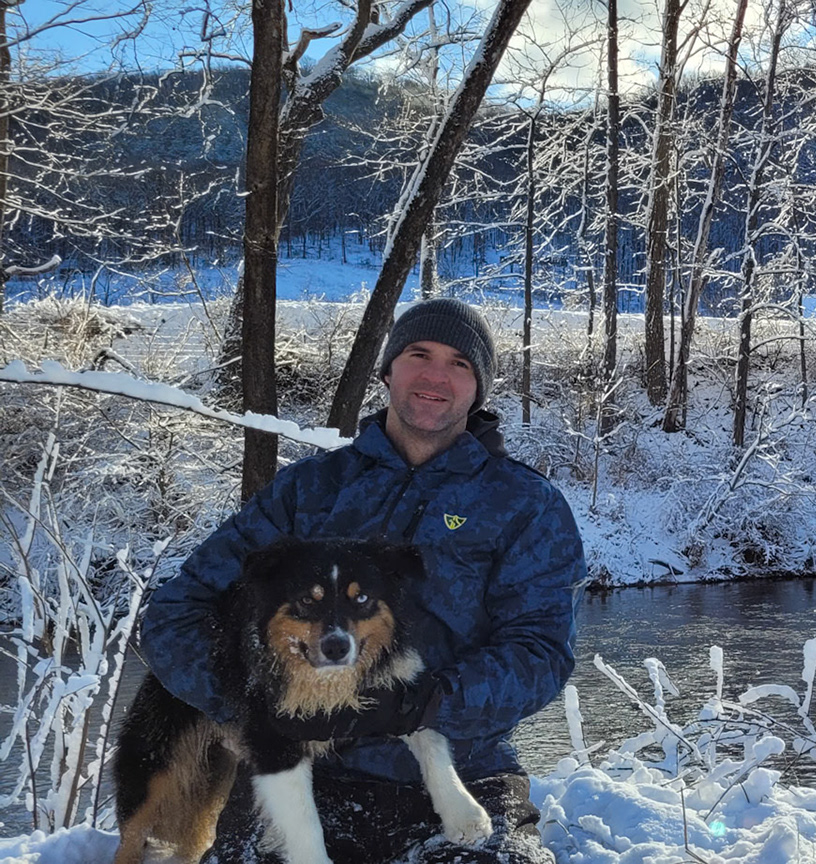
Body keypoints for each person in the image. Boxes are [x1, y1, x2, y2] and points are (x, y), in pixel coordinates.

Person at [140, 297, 582, 864]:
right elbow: (175, 613)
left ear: (479, 388)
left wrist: (425, 703)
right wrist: (254, 701)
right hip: (303, 775)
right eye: (419, 353)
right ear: (389, 368)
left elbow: (541, 653)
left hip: (464, 771)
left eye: (460, 363)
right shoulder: (309, 492)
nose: (435, 375)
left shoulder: (526, 505)